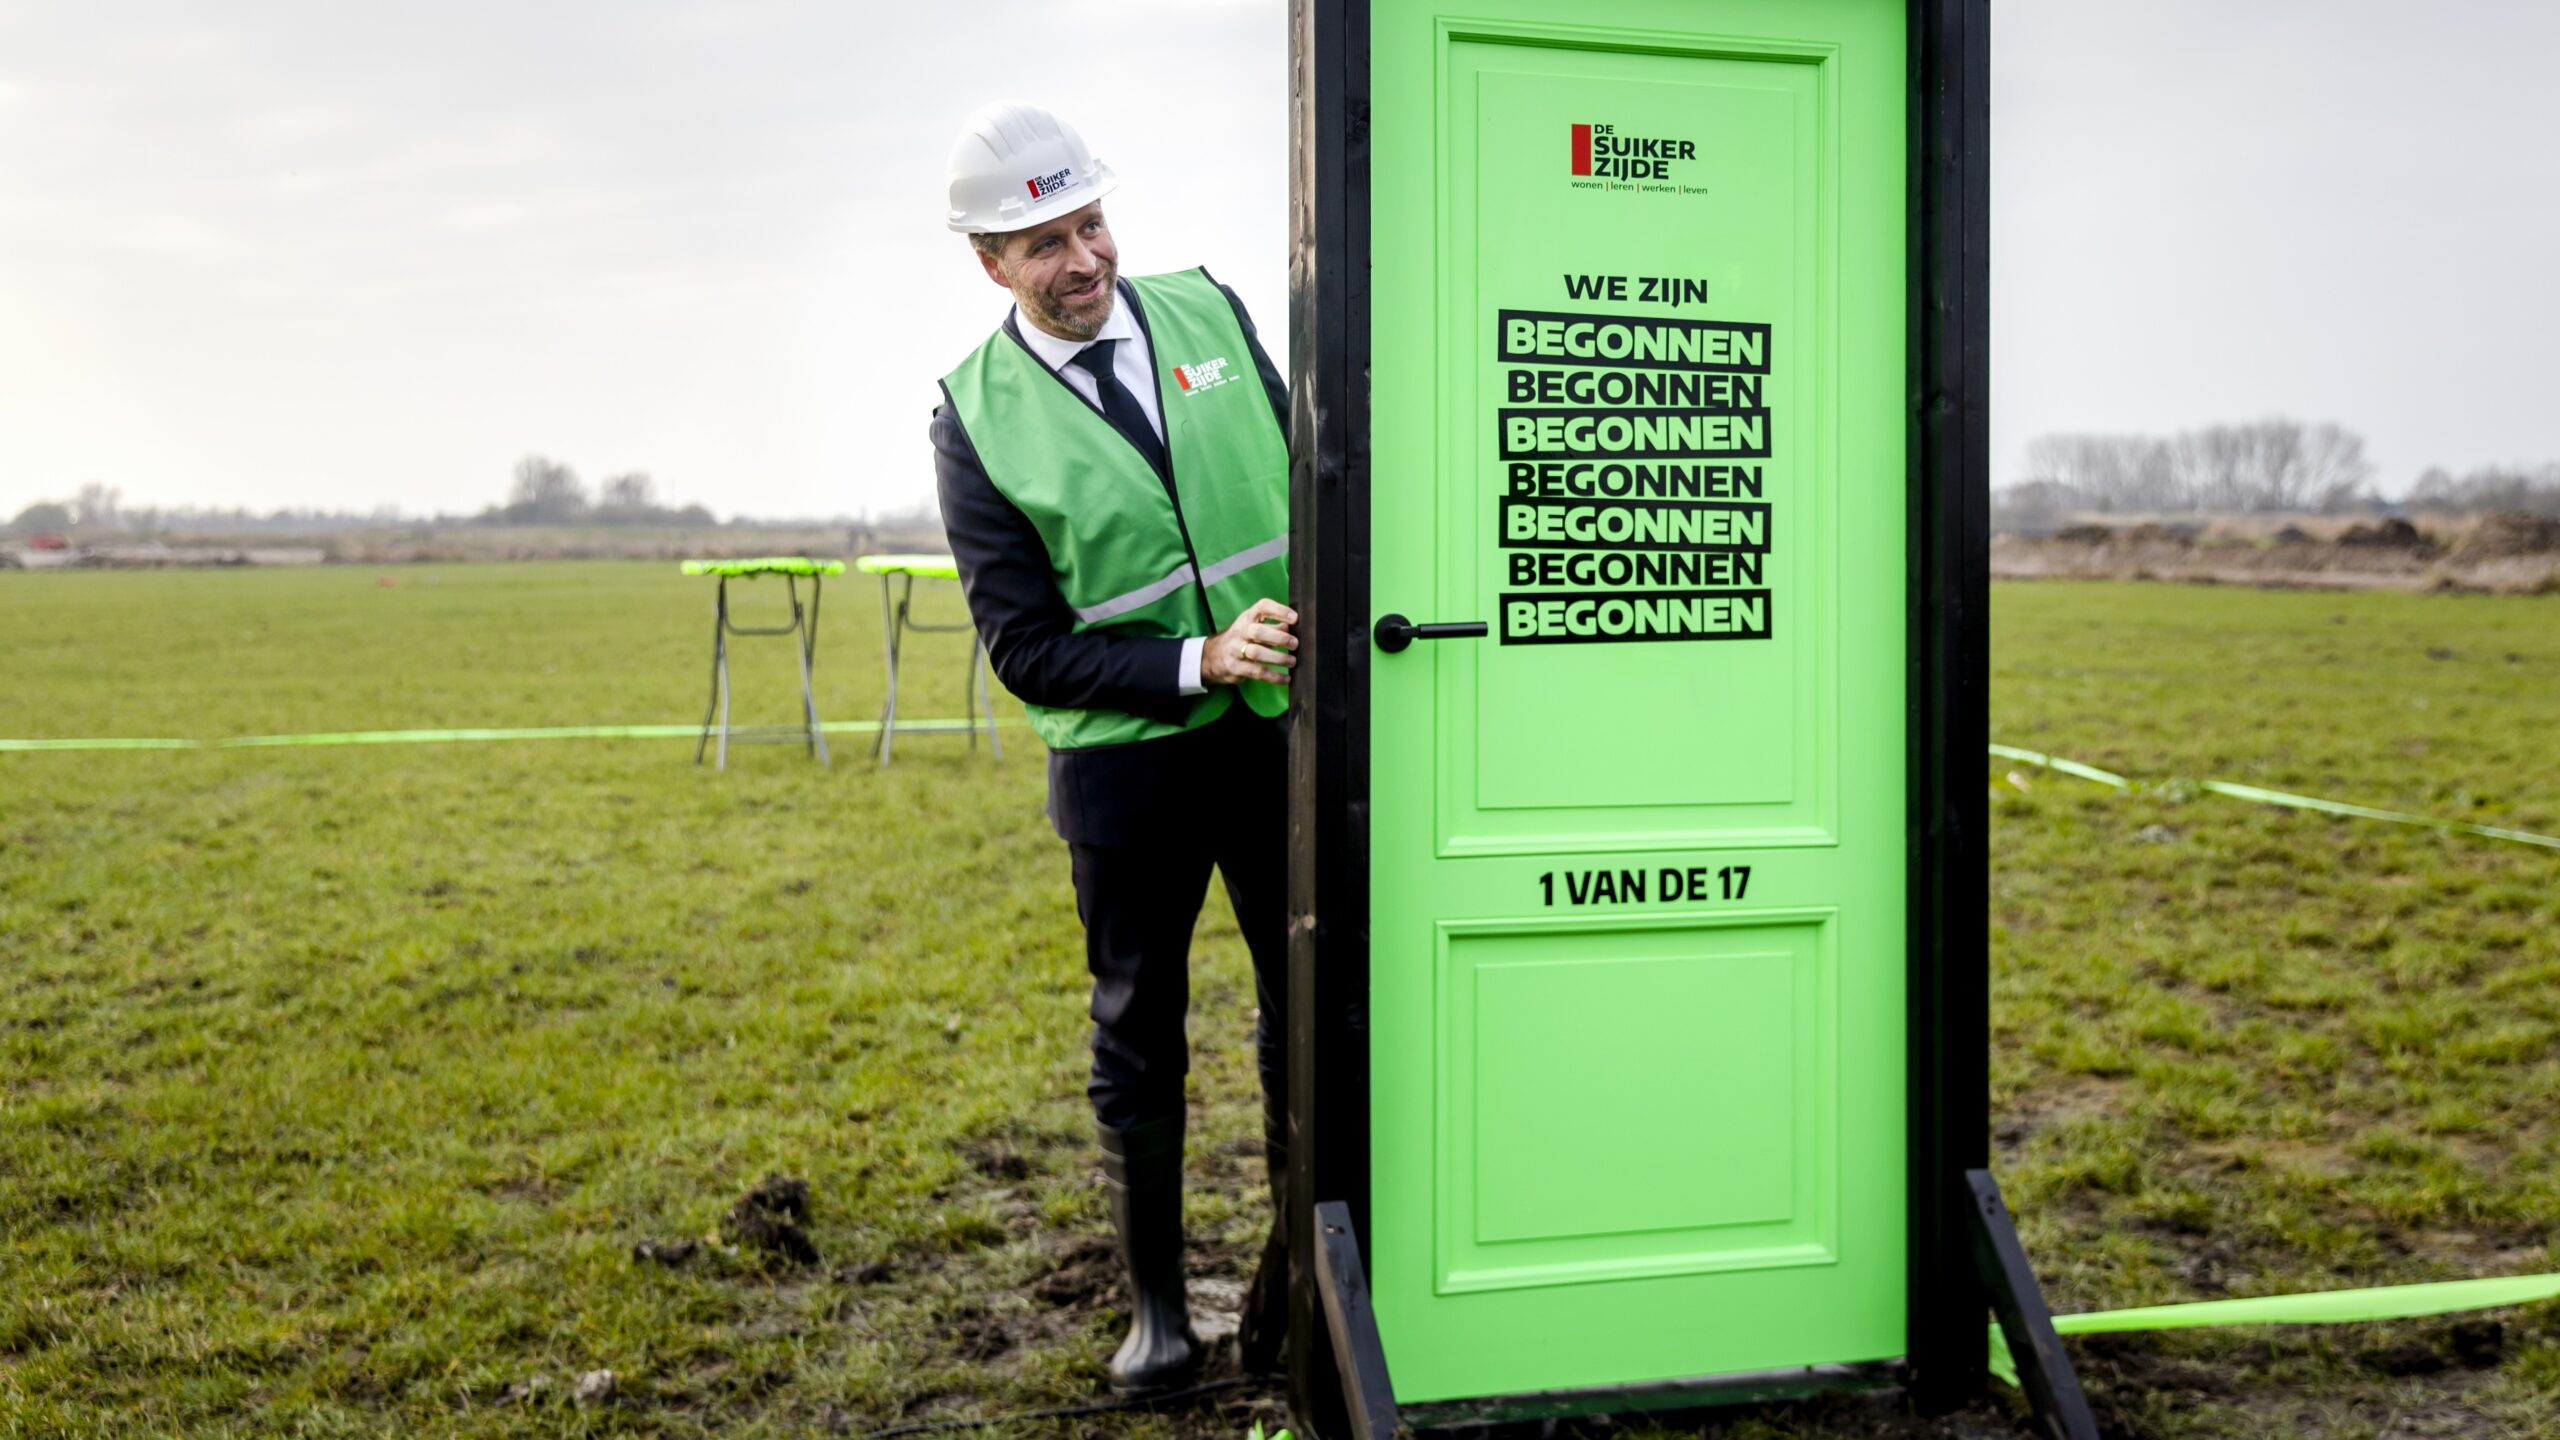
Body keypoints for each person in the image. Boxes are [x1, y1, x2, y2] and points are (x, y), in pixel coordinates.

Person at [928, 100, 1295, 1395]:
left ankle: (1304, 1281)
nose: (1082, 261)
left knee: (1307, 1006)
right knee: (1141, 1035)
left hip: (1277, 745)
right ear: (991, 262)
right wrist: (1195, 660)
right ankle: (1156, 1320)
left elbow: (1317, 477)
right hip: (1127, 774)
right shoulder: (973, 418)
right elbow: (1024, 648)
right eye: (1044, 244)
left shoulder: (1211, 313)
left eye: (1089, 225)